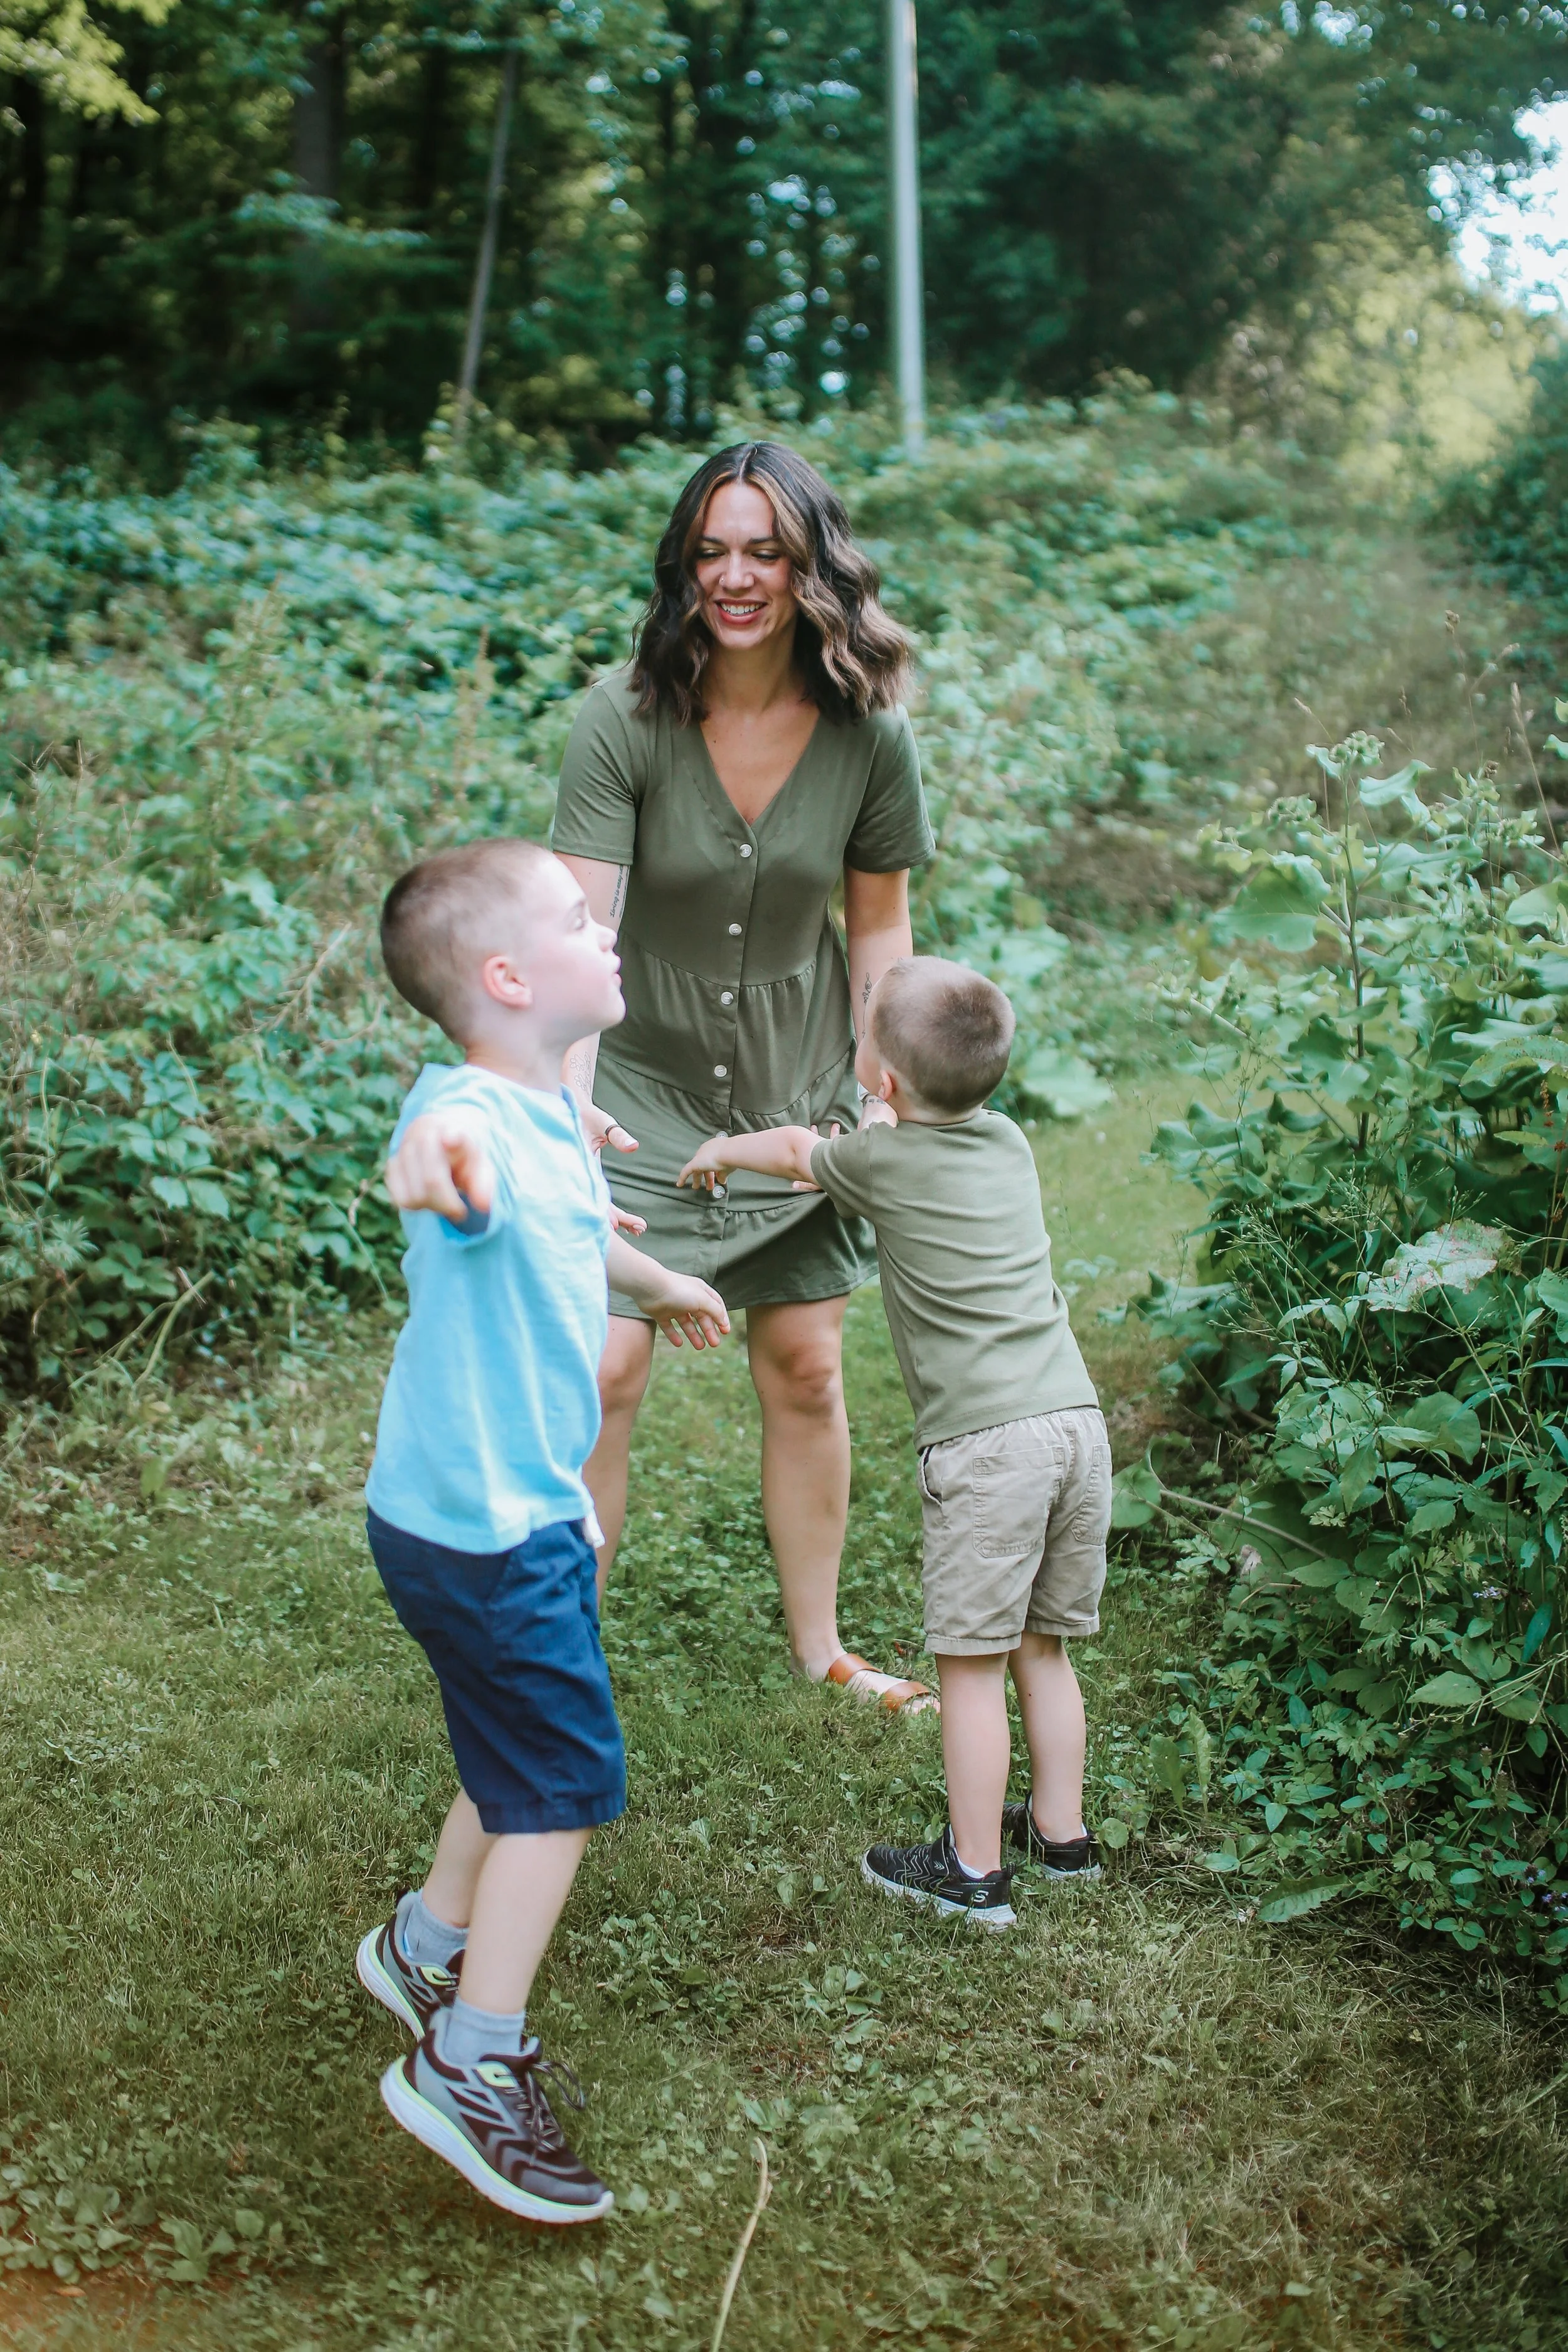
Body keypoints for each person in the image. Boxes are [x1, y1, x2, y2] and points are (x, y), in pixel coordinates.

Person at [354, 838, 728, 2223]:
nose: (608, 932)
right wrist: (426, 1166)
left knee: (513, 1740)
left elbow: (573, 1229)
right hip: (484, 1533)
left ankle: (425, 1942)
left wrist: (657, 1273)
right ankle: (468, 2059)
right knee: (565, 1780)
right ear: (509, 977)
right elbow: (441, 1156)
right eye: (583, 920)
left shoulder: (547, 1114)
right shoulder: (470, 1117)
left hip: (505, 1516)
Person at [549, 439, 938, 1710]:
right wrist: (564, 1109)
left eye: (763, 550)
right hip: (639, 1075)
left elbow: (876, 925)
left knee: (807, 1368)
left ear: (809, 564)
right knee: (606, 1367)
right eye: (709, 550)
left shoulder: (867, 732)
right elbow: (579, 930)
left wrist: (882, 1079)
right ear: (682, 567)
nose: (734, 576)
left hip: (796, 1077)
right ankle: (568, 1653)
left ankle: (821, 1645)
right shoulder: (622, 719)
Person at [679, 957, 1110, 1930]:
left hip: (988, 1446)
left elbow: (797, 1149)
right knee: (1043, 1649)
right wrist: (884, 1117)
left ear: (880, 1082)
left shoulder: (877, 1161)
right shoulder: (1006, 1142)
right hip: (1076, 1428)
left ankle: (972, 1872)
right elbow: (900, 1137)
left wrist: (718, 1146)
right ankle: (1064, 1836)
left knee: (969, 1663)